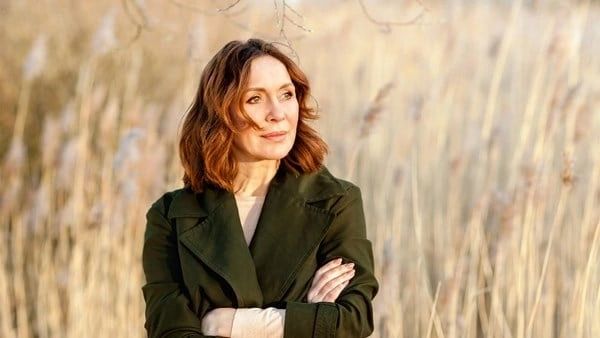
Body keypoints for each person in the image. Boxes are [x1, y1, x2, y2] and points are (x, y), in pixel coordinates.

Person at [141, 38, 379, 338]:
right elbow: (169, 330)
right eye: (255, 99)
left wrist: (226, 324)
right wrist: (303, 319)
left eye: (286, 94)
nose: (278, 113)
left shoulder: (334, 201)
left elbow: (353, 321)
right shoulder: (172, 216)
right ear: (221, 112)